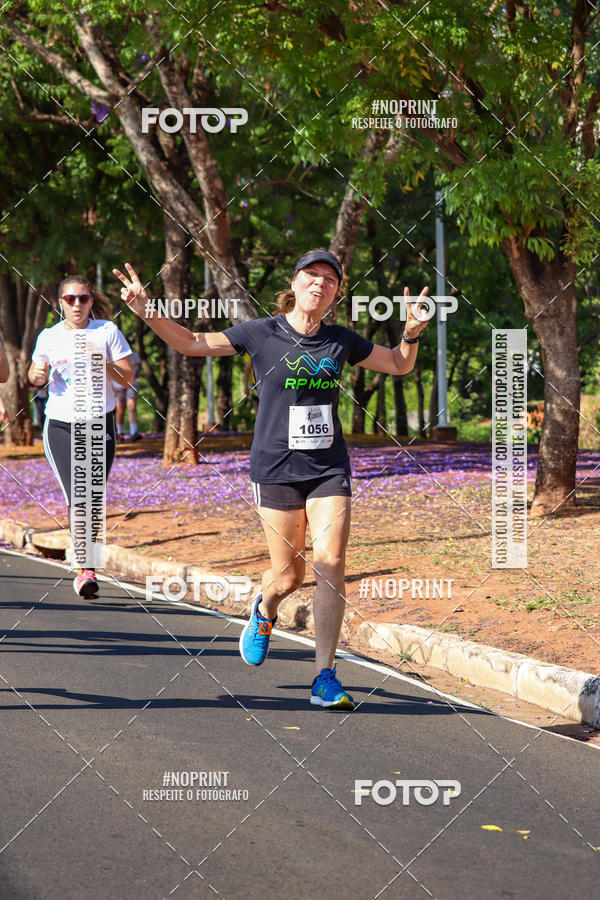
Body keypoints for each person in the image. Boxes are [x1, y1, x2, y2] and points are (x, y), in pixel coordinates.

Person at [114, 251, 429, 710]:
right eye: (312, 275)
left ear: (337, 292)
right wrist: (148, 310)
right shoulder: (261, 333)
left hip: (328, 467)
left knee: (330, 561)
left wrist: (410, 334)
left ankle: (325, 676)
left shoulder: (340, 341)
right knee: (287, 575)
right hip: (276, 469)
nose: (320, 284)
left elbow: (399, 365)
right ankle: (264, 611)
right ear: (295, 282)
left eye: (330, 279)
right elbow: (191, 342)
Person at [28, 276, 134, 598]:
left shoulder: (107, 332)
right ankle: (84, 569)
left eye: (83, 298)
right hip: (61, 425)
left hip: (100, 424)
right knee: (79, 495)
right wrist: (37, 375)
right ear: (60, 303)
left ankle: (84, 560)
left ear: (91, 301)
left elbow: (127, 377)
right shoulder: (48, 336)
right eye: (70, 299)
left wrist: (103, 362)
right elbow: (34, 374)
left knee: (93, 497)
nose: (77, 304)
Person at [114, 349, 142, 441]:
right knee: (120, 409)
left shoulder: (135, 355)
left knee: (132, 408)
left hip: (132, 385)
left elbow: (138, 373)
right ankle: (120, 434)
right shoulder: (113, 353)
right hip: (118, 386)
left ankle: (134, 433)